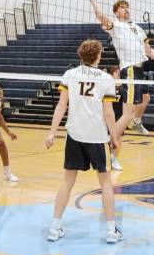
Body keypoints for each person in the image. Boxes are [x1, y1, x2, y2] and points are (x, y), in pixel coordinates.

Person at [44, 39, 124, 244]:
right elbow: (108, 113)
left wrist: (52, 132)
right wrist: (115, 137)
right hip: (97, 138)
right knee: (106, 183)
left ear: (81, 55)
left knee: (67, 181)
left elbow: (61, 105)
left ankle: (54, 228)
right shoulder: (106, 78)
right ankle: (110, 231)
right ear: (98, 56)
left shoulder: (70, 75)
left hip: (75, 135)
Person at [88, 0, 154, 170]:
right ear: (116, 12)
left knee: (146, 98)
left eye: (127, 6)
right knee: (126, 114)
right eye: (121, 7)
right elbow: (101, 18)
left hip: (140, 70)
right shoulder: (115, 26)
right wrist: (93, 1)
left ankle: (137, 121)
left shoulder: (137, 28)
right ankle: (111, 152)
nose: (126, 9)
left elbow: (148, 51)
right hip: (129, 70)